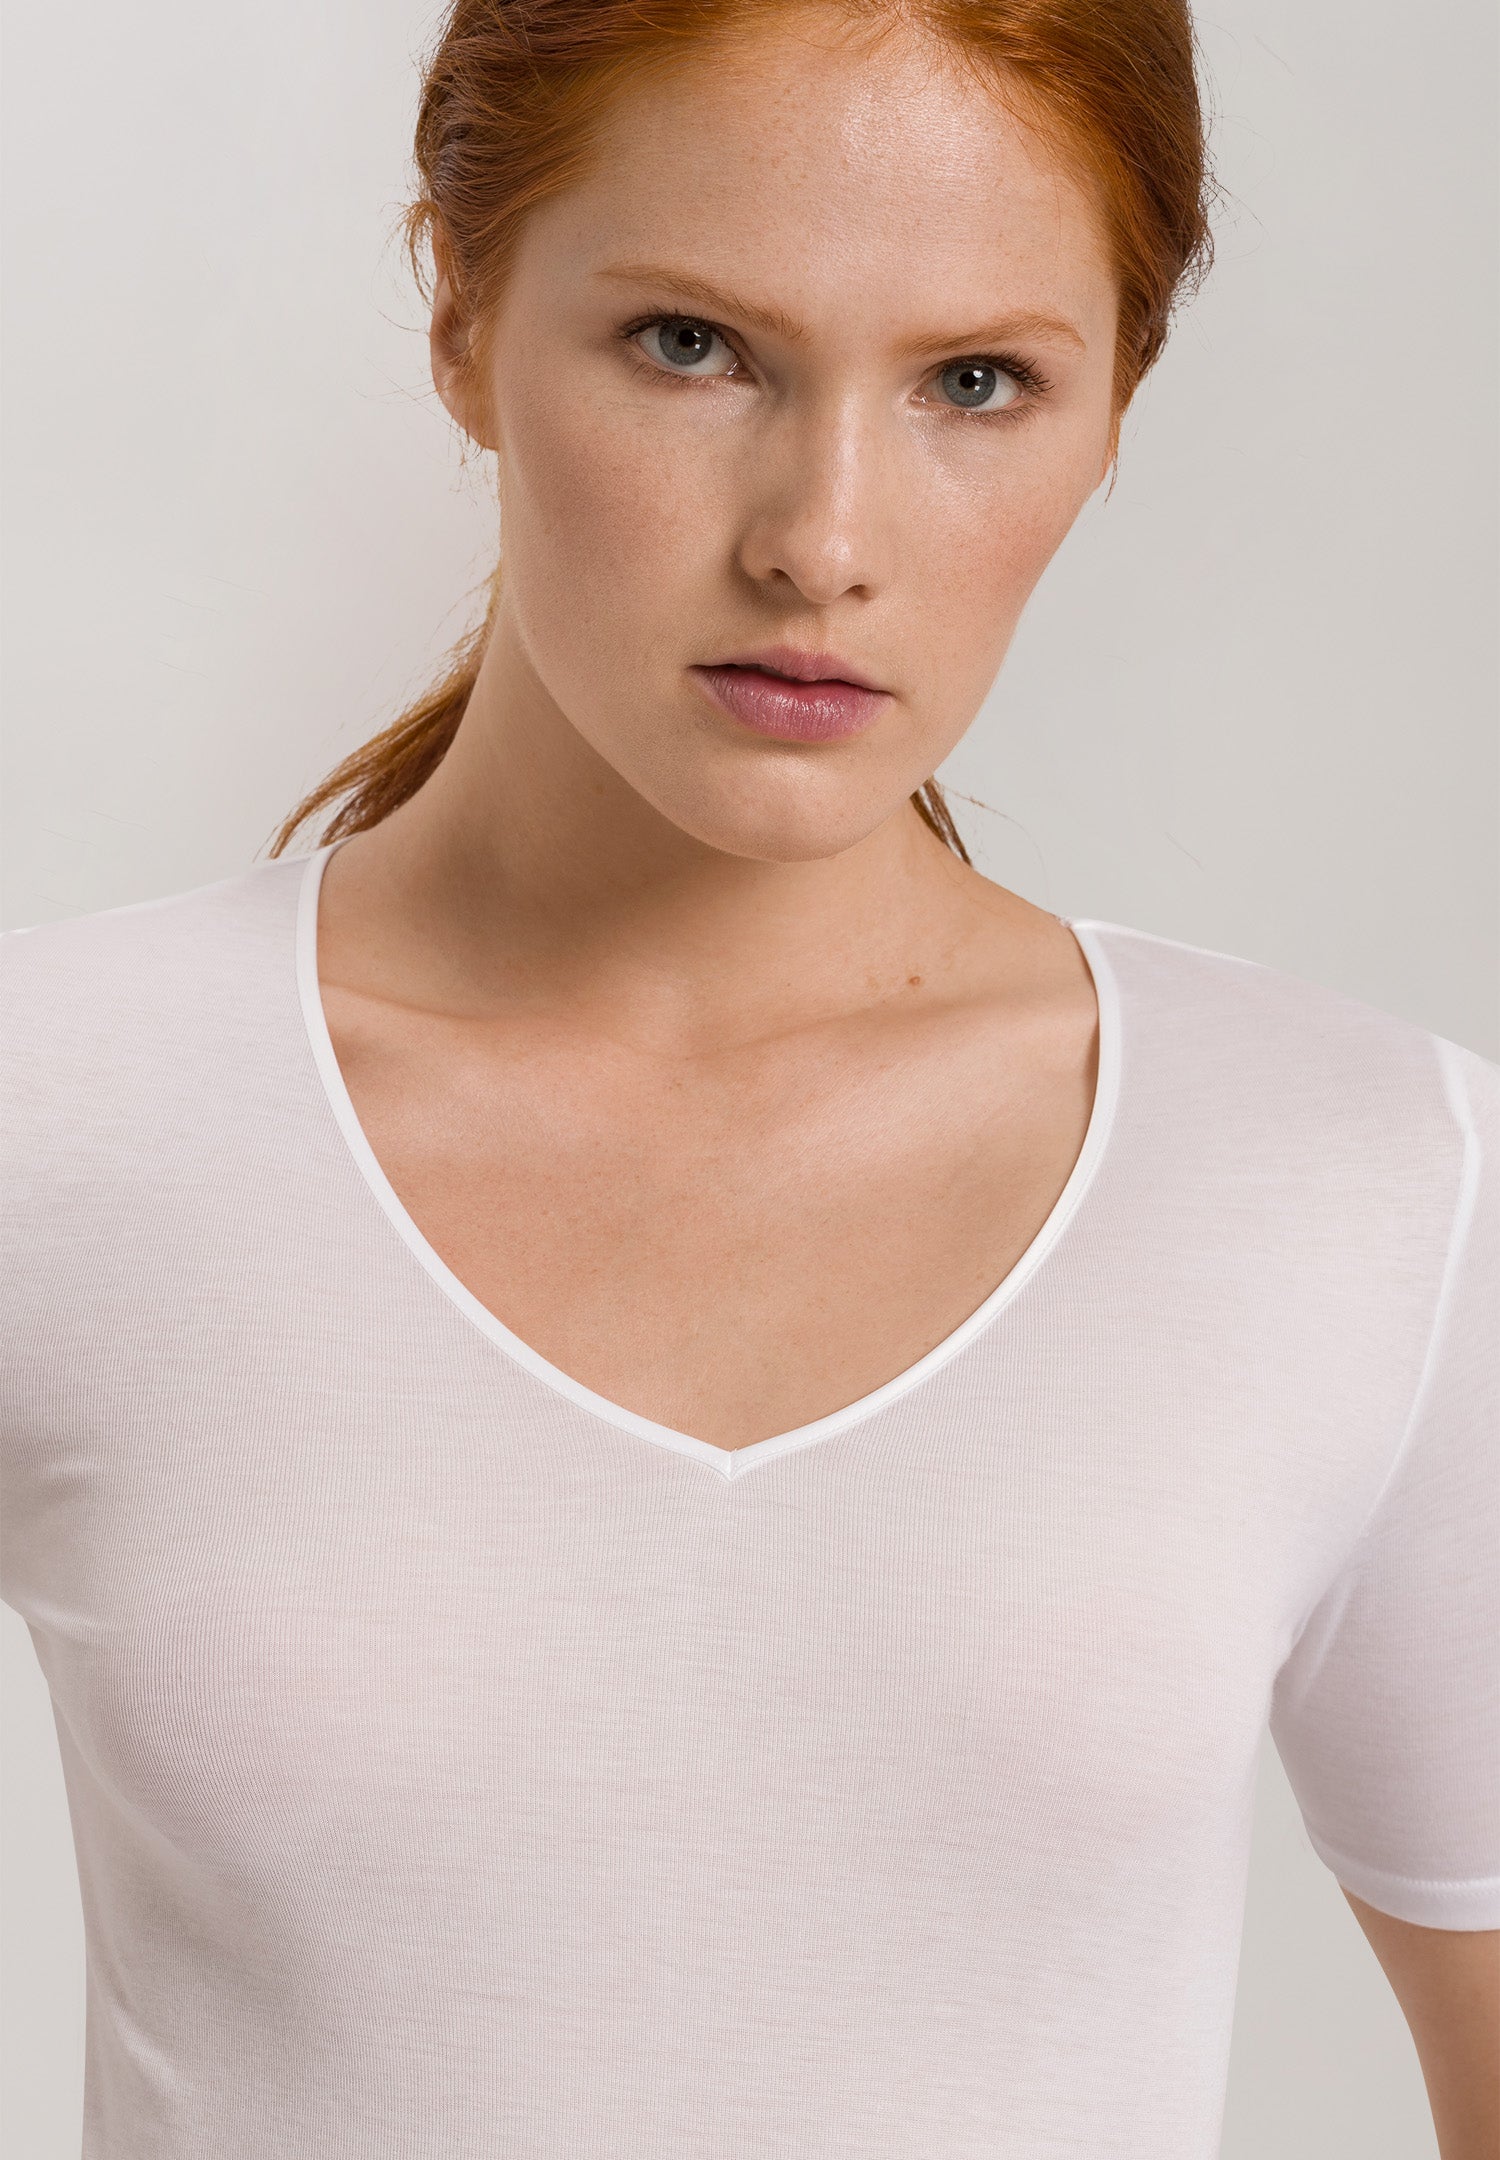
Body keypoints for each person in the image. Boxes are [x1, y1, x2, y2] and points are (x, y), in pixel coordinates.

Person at [3, 1, 1495, 2153]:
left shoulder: (1362, 1185)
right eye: (692, 346)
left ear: (1117, 405)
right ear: (461, 314)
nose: (821, 539)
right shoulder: (57, 1117)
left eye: (976, 383)